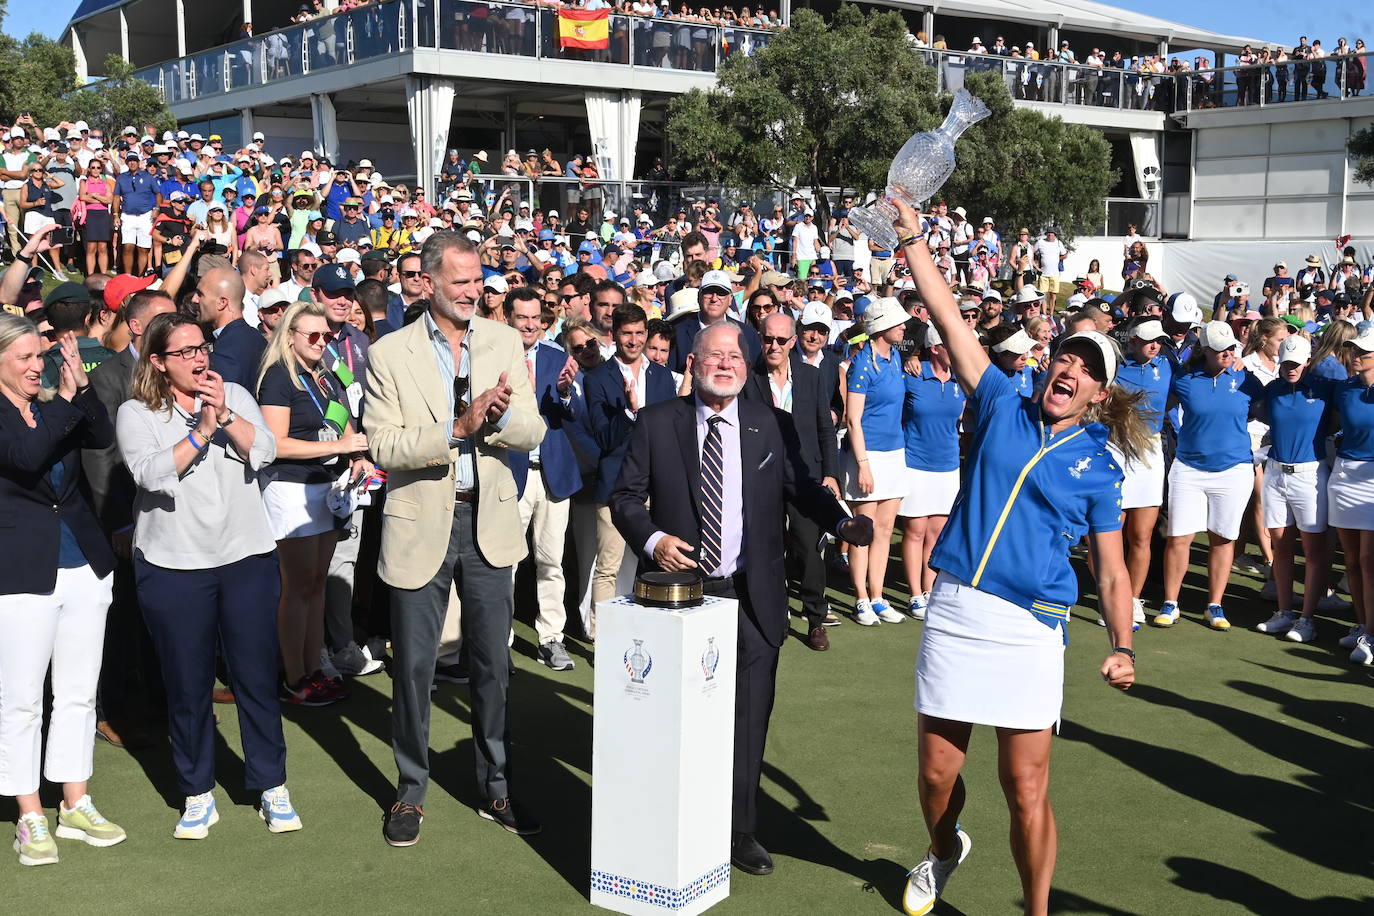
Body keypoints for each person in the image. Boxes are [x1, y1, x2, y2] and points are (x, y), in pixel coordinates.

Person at [892, 201, 1137, 916]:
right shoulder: (1001, 398)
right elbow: (945, 314)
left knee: (1025, 790)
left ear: (1099, 392)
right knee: (937, 776)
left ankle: (1037, 912)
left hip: (1031, 628)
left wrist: (1123, 644)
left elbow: (1115, 571)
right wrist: (911, 237)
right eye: (1064, 354)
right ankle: (944, 850)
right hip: (959, 604)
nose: (1068, 367)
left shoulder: (1101, 465)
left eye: (1085, 367)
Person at [609, 321, 872, 876]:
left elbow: (801, 487)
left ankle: (740, 829)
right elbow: (626, 498)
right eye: (714, 354)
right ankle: (674, 821)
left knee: (749, 720)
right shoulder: (658, 423)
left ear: (747, 367)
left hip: (754, 596)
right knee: (678, 718)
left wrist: (843, 522)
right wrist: (655, 540)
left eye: (735, 356)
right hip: (683, 599)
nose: (725, 364)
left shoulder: (769, 424)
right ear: (693, 362)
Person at [362, 232, 544, 847]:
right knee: (413, 668)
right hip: (419, 525)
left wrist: (494, 424)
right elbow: (382, 444)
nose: (473, 291)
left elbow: (533, 425)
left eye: (477, 281)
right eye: (461, 281)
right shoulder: (390, 352)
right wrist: (456, 427)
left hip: (489, 521)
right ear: (429, 282)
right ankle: (410, 791)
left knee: (495, 664)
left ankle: (497, 786)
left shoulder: (504, 341)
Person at [115, 312, 301, 839]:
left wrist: (223, 415)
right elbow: (151, 473)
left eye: (203, 347)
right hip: (175, 565)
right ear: (157, 361)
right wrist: (201, 429)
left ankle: (271, 784)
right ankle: (197, 793)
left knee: (256, 678)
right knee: (187, 684)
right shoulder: (137, 411)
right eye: (185, 352)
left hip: (245, 557)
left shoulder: (234, 394)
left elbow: (264, 452)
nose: (199, 359)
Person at [0, 318, 125, 866]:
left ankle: (75, 802)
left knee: (77, 691)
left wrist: (82, 384)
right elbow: (27, 456)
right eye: (24, 357)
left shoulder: (58, 400)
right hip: (21, 572)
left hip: (84, 564)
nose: (36, 366)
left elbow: (100, 435)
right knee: (22, 699)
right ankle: (30, 814)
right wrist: (65, 401)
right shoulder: (24, 413)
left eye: (39, 356)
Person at [256, 301, 373, 705]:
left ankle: (313, 668)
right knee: (298, 587)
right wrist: (342, 446)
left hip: (324, 485)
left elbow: (341, 421)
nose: (322, 342)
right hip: (291, 489)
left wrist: (354, 455)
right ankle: (296, 676)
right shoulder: (277, 377)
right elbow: (275, 444)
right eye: (313, 335)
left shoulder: (322, 374)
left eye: (326, 335)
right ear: (290, 337)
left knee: (316, 585)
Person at [1156, 321, 1265, 631]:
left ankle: (1214, 605)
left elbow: (1267, 410)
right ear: (1205, 351)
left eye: (1231, 347)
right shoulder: (1185, 379)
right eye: (1221, 350)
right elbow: (1159, 407)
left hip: (1234, 470)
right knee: (1179, 538)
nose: (1229, 353)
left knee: (1223, 537)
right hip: (1189, 468)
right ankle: (1170, 602)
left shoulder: (1245, 378)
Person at [741, 312, 840, 650]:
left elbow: (826, 430)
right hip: (760, 479)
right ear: (759, 338)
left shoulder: (811, 377)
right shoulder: (747, 377)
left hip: (805, 477)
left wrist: (831, 473)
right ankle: (777, 616)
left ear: (793, 341)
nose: (774, 346)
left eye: (781, 340)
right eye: (768, 339)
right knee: (769, 551)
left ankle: (815, 618)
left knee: (810, 552)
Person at [504, 288, 585, 670]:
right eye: (523, 317)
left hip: (553, 475)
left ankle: (551, 638)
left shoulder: (559, 359)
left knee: (551, 562)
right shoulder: (494, 356)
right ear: (508, 318)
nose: (531, 324)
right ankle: (498, 640)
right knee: (505, 562)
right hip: (509, 474)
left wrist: (568, 394)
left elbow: (578, 415)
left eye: (536, 318)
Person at [583, 304, 677, 622]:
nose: (634, 340)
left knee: (657, 563)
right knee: (608, 565)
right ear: (615, 334)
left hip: (660, 486)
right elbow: (604, 437)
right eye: (627, 333)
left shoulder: (663, 377)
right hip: (615, 485)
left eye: (639, 333)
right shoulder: (597, 379)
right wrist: (630, 411)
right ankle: (601, 637)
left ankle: (655, 627)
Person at [1252, 334, 1333, 644]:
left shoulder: (1325, 389)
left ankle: (1307, 619)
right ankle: (1284, 612)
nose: (1290, 368)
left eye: (1296, 364)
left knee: (1313, 552)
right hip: (1275, 473)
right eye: (1286, 363)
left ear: (1307, 363)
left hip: (1310, 476)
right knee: (1281, 547)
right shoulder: (1273, 391)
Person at [843, 297, 910, 626]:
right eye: (897, 322)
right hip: (867, 454)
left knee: (884, 529)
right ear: (880, 327)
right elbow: (853, 420)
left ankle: (878, 596)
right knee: (864, 530)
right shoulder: (861, 363)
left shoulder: (897, 357)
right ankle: (861, 599)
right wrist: (863, 464)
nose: (903, 326)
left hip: (895, 453)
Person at [1107, 319, 1173, 629]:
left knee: (1141, 536)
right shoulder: (1114, 368)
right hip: (1117, 449)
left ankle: (1132, 600)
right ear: (1131, 341)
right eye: (1148, 340)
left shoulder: (1168, 365)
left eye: (1158, 340)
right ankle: (1110, 596)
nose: (1154, 345)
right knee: (1110, 534)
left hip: (1150, 452)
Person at [898, 323, 965, 621]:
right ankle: (914, 593)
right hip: (915, 462)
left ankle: (929, 590)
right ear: (936, 348)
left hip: (948, 466)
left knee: (937, 534)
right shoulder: (912, 374)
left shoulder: (959, 380)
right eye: (949, 345)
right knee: (915, 531)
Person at [1329, 328, 1374, 667]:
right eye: (1353, 349)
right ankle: (1362, 624)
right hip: (1344, 476)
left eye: (1363, 351)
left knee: (1369, 562)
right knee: (1352, 561)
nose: (1355, 354)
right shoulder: (1344, 389)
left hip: (1372, 482)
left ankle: (1371, 633)